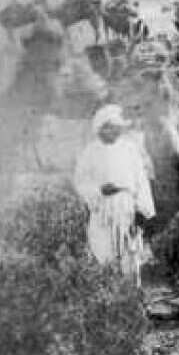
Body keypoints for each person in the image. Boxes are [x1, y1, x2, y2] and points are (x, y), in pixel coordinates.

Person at [73, 104, 155, 286]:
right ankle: (107, 293)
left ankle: (129, 295)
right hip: (103, 208)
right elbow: (80, 181)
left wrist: (141, 210)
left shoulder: (130, 149)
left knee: (129, 253)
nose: (113, 132)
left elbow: (141, 180)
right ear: (100, 128)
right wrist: (100, 190)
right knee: (103, 250)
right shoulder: (90, 152)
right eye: (108, 127)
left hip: (126, 207)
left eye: (116, 128)